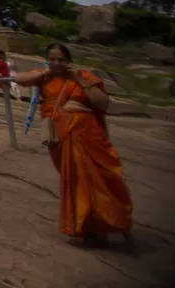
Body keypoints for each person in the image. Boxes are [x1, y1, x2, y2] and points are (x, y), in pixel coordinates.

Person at [15, 44, 133, 245]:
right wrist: (46, 72)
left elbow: (103, 102)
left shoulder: (83, 75)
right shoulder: (44, 75)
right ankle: (85, 224)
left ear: (68, 60)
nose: (56, 63)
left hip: (87, 134)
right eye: (52, 59)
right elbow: (19, 80)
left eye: (60, 59)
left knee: (101, 177)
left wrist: (79, 80)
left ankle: (106, 223)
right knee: (75, 179)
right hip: (59, 134)